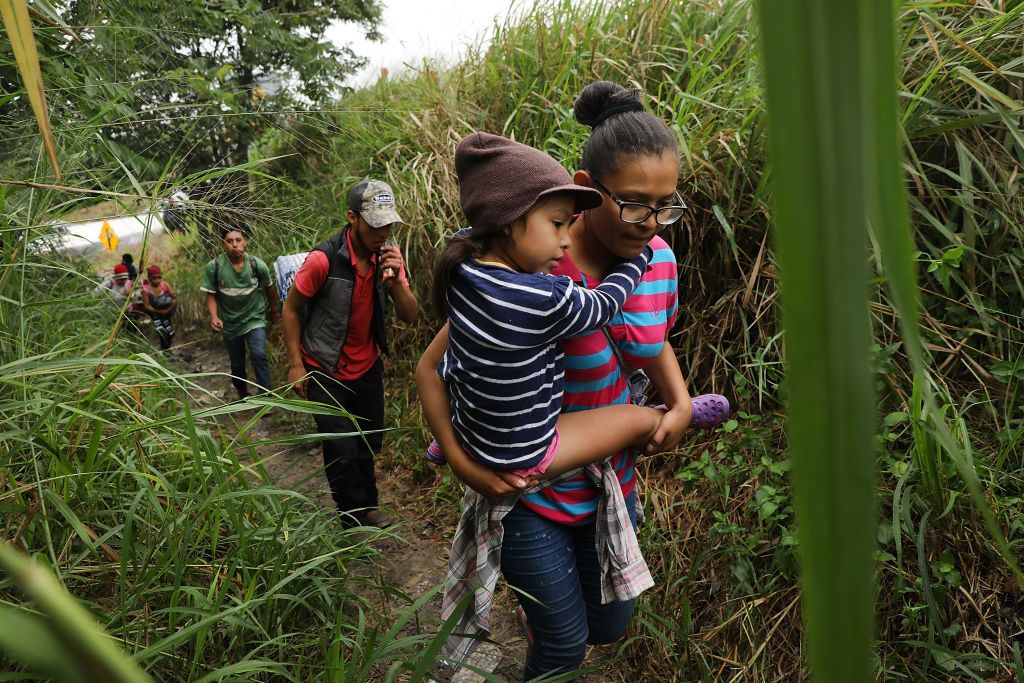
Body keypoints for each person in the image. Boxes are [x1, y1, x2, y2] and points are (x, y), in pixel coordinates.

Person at [417, 81, 693, 679]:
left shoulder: (660, 260)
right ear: (589, 189)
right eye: (635, 203)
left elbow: (652, 339)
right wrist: (467, 467)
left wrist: (682, 402)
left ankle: (555, 616)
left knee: (609, 626)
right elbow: (433, 368)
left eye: (666, 204)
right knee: (565, 646)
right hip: (529, 495)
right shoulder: (533, 266)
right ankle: (547, 629)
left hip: (613, 486)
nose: (651, 222)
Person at [419, 132, 665, 481]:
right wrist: (639, 259)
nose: (566, 240)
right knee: (640, 420)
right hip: (521, 452)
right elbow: (604, 305)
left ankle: (451, 439)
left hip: (472, 429)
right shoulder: (541, 298)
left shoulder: (461, 266)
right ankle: (662, 414)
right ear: (507, 222)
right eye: (556, 223)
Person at [281, 179, 419, 528]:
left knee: (369, 441)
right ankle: (352, 515)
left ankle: (366, 505)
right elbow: (291, 309)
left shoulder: (387, 259)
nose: (383, 232)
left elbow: (409, 314)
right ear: (352, 218)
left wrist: (398, 278)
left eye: (388, 223)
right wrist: (296, 365)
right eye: (375, 224)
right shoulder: (322, 260)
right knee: (341, 446)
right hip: (323, 368)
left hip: (367, 366)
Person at [201, 224, 279, 398]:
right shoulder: (215, 267)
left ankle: (266, 397)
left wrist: (274, 312)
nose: (234, 245)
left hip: (254, 318)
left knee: (258, 354)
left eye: (238, 240)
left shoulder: (257, 265)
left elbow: (270, 288)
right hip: (230, 323)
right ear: (223, 244)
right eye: (229, 241)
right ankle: (242, 393)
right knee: (237, 364)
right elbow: (211, 294)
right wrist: (214, 317)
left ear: (246, 242)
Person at [141, 265, 177, 350]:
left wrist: (169, 308)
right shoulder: (146, 290)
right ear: (150, 279)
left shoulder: (165, 285)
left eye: (159, 278)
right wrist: (158, 311)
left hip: (166, 313)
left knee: (170, 332)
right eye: (154, 279)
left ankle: (167, 350)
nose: (157, 281)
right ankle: (164, 350)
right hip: (155, 315)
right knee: (161, 333)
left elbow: (174, 298)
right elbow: (146, 306)